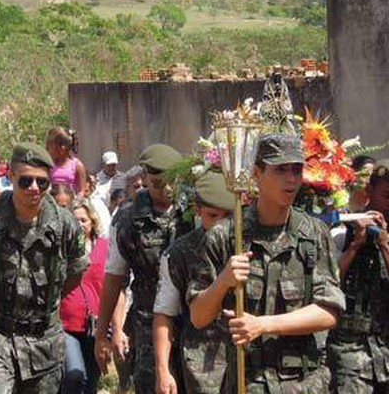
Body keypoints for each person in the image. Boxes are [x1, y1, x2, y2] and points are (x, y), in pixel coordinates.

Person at [186, 133, 345, 392]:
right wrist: (223, 281)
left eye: (297, 169)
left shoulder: (313, 234)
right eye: (281, 170)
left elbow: (329, 311)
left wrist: (262, 325)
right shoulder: (226, 235)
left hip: (304, 384)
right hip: (246, 382)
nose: (292, 179)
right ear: (256, 173)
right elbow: (198, 317)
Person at [0, 142, 88, 393]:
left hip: (43, 342)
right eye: (26, 181)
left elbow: (75, 272)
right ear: (11, 176)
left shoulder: (65, 226)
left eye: (42, 182)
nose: (34, 188)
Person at [94, 144, 192, 394]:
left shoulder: (194, 208)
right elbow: (115, 279)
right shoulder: (128, 219)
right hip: (149, 324)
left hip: (195, 321)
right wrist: (103, 333)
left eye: (173, 181)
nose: (168, 189)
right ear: (145, 178)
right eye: (159, 183)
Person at [152, 171, 234, 394]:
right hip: (203, 365)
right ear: (197, 211)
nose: (221, 225)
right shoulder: (178, 254)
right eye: (213, 216)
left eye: (228, 216)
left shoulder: (245, 244)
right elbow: (164, 312)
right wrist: (162, 370)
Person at [328, 159, 389, 393]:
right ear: (369, 192)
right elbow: (329, 283)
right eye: (387, 196)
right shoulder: (342, 232)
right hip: (349, 355)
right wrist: (354, 246)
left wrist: (384, 244)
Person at [60, 198, 109, 394]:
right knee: (75, 375)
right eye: (75, 220)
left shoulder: (105, 246)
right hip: (66, 324)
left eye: (83, 220)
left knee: (91, 383)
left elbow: (113, 287)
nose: (79, 225)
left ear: (92, 221)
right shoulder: (61, 248)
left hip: (96, 325)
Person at [46, 127, 87, 196]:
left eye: (51, 148)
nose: (49, 151)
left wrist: (76, 201)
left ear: (62, 148)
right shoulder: (48, 164)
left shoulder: (77, 165)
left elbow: (81, 190)